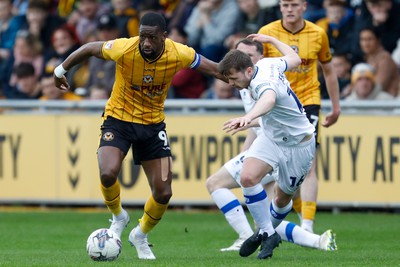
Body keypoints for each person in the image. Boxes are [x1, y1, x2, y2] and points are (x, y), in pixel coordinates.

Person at [53, 12, 225, 260]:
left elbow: (214, 69)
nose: (145, 42)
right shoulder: (124, 47)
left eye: (152, 38)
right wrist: (60, 71)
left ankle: (140, 234)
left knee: (164, 192)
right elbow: (90, 47)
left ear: (163, 37)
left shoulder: (180, 53)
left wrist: (244, 79)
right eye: (143, 36)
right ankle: (118, 216)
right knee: (107, 172)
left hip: (153, 126)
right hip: (118, 119)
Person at [206, 38, 337, 252]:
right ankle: (266, 234)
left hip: (298, 146)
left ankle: (278, 234)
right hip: (271, 137)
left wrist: (248, 117)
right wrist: (270, 40)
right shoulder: (267, 64)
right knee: (247, 177)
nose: (230, 83)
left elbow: (269, 100)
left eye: (233, 78)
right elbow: (294, 59)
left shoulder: (260, 83)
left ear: (248, 70)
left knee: (281, 198)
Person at [258, 0, 341, 233]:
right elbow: (255, 71)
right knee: (278, 165)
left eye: (294, 4)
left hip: (307, 103)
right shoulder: (267, 33)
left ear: (304, 6)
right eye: (285, 5)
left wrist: (335, 107)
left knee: (309, 164)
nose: (289, 9)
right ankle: (273, 221)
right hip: (276, 105)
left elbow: (329, 70)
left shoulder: (318, 33)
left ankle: (307, 224)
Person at [358, 27, 399, 97]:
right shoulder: (369, 58)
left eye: (369, 39)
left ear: (378, 40)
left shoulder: (385, 59)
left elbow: (379, 86)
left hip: (388, 103)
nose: (366, 43)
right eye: (363, 40)